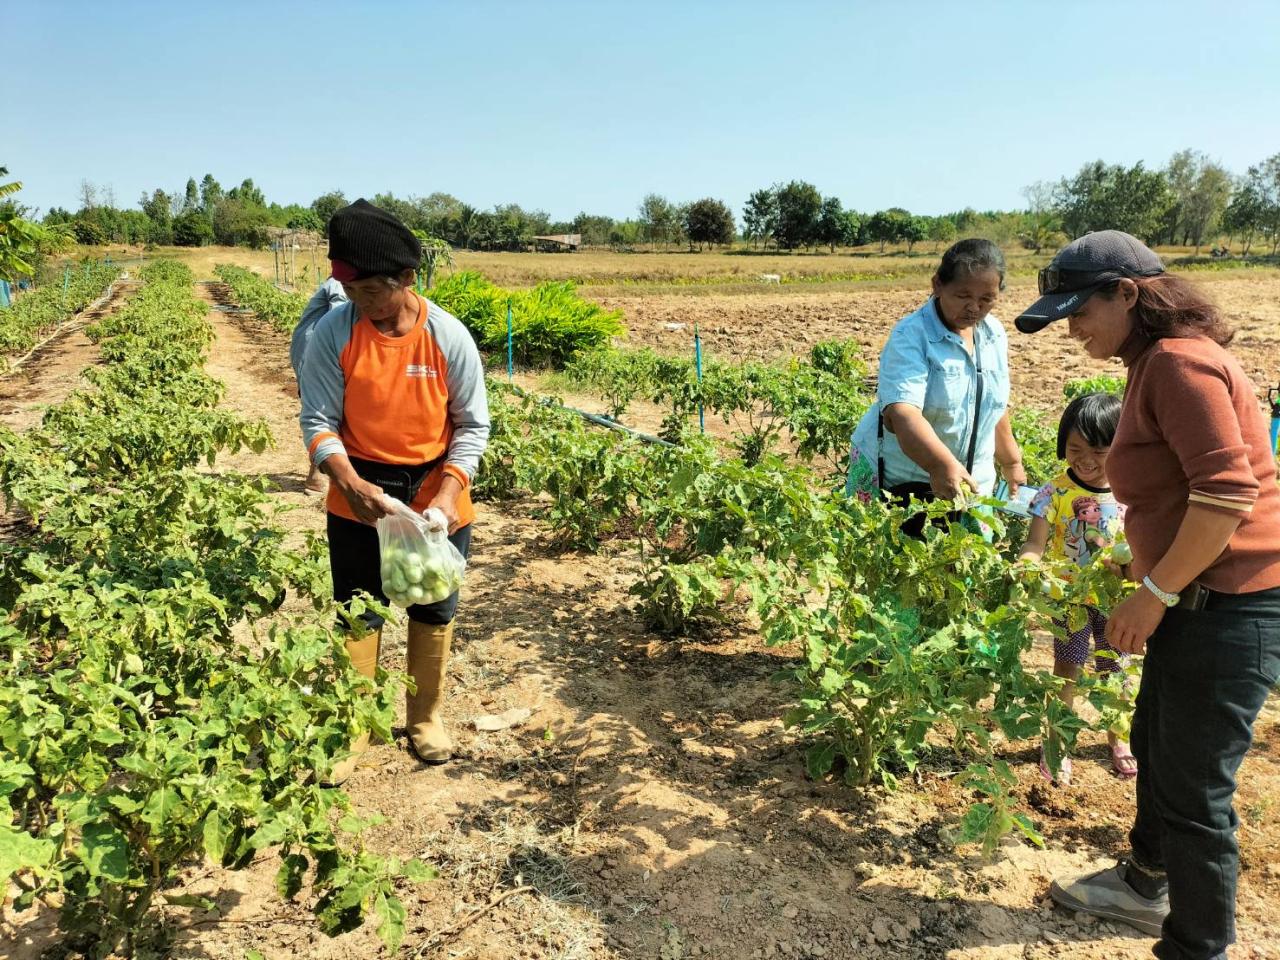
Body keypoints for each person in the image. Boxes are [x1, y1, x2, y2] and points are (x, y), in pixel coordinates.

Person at [1015, 230, 1280, 958]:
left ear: (1127, 293)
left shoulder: (1178, 364)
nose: (1072, 329)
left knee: (1197, 795)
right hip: (1199, 599)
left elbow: (1227, 494)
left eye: (1079, 311)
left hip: (1225, 604)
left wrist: (1154, 591)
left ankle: (1198, 945)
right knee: (1160, 751)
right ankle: (1144, 883)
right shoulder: (1152, 364)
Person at [300, 199, 490, 783]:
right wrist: (352, 484)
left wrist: (447, 496)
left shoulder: (447, 337)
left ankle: (426, 718)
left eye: (368, 292)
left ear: (407, 279)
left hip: (435, 489)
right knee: (359, 610)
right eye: (349, 292)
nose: (357, 304)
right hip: (359, 489)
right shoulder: (333, 334)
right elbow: (318, 422)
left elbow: (472, 424)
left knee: (433, 602)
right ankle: (355, 725)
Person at [847, 238, 1025, 535]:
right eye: (963, 295)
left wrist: (1011, 462)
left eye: (986, 299)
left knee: (965, 568)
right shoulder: (911, 336)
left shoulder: (993, 333)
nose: (974, 308)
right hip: (902, 478)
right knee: (900, 565)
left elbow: (992, 404)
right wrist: (939, 464)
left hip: (970, 479)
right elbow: (902, 414)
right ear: (938, 285)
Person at [1017, 392, 1135, 784]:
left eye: (1099, 450)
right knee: (1065, 669)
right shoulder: (1054, 493)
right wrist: (1027, 566)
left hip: (1113, 602)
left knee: (1114, 669)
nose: (1085, 460)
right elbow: (1034, 544)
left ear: (1121, 446)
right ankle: (1057, 742)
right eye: (1074, 449)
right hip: (1067, 602)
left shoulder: (1130, 493)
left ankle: (1119, 738)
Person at [292, 275, 348, 494]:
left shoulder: (334, 282)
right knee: (328, 411)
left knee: (323, 408)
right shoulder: (339, 283)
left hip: (308, 352)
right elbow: (340, 317)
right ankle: (317, 477)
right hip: (318, 356)